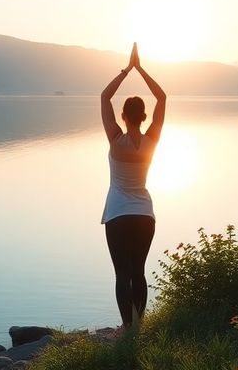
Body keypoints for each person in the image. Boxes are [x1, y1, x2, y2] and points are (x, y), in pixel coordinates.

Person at [99, 42, 166, 329]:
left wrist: (128, 69)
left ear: (124, 117)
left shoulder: (115, 139)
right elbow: (162, 97)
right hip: (143, 214)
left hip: (117, 215)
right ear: (144, 116)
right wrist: (142, 70)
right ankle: (138, 326)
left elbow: (104, 97)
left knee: (121, 274)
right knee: (138, 272)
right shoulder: (152, 140)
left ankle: (127, 328)